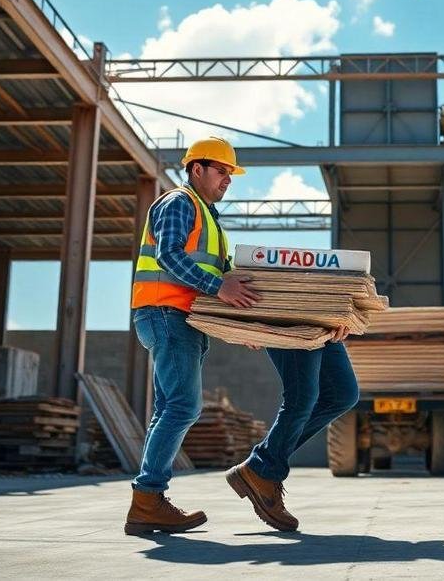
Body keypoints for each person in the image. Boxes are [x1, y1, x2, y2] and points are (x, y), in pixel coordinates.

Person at [124, 136, 261, 536]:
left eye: (231, 175)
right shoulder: (178, 203)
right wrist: (220, 288)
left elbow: (227, 280)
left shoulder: (210, 219)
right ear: (196, 169)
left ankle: (147, 504)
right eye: (222, 171)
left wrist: (243, 325)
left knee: (170, 407)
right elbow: (169, 256)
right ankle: (148, 496)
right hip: (167, 313)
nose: (227, 181)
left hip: (180, 318)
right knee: (183, 407)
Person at [225, 332, 360, 532]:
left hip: (325, 318)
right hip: (290, 316)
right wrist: (248, 325)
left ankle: (261, 465)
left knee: (342, 395)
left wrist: (345, 313)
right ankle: (263, 469)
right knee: (300, 397)